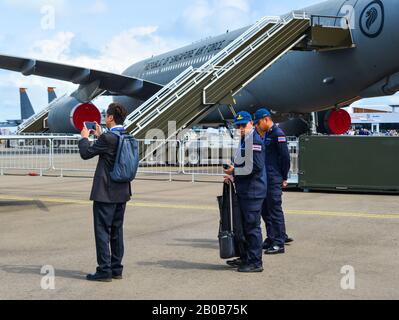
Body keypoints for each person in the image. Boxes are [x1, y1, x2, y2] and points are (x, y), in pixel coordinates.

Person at [79, 103, 132, 282]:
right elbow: (112, 150)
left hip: (106, 192)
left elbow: (86, 153)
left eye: (106, 115)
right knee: (117, 231)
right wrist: (101, 135)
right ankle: (117, 268)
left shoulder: (108, 138)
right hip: (122, 191)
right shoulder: (126, 135)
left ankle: (104, 270)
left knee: (102, 231)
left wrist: (85, 138)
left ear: (110, 117)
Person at [224, 111, 267, 273]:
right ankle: (246, 257)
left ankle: (255, 262)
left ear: (252, 123)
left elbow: (255, 167)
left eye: (244, 125)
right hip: (245, 190)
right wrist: (233, 175)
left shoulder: (254, 140)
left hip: (253, 192)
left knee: (252, 227)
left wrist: (234, 172)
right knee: (242, 227)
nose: (241, 128)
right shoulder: (245, 140)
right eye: (238, 126)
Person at [253, 108, 293, 255]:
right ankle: (271, 237)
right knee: (265, 209)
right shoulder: (265, 134)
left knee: (275, 210)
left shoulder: (278, 134)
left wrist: (284, 177)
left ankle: (279, 242)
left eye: (258, 123)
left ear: (265, 119)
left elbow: (285, 158)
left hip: (274, 178)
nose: (257, 126)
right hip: (265, 178)